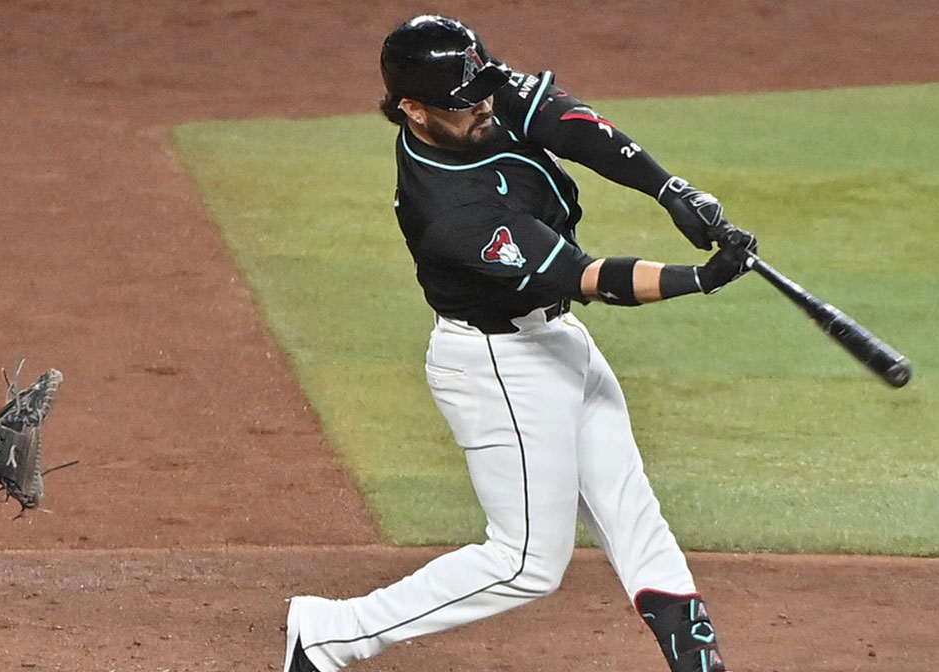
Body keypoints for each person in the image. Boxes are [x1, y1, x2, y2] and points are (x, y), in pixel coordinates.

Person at [284, 15, 756, 672]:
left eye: (483, 90)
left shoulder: (470, 95)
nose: (484, 106)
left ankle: (698, 661)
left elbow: (563, 120)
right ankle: (332, 633)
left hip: (557, 341)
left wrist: (668, 188)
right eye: (465, 102)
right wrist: (699, 279)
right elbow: (587, 278)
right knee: (526, 562)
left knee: (630, 510)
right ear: (413, 109)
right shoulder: (449, 211)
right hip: (498, 366)